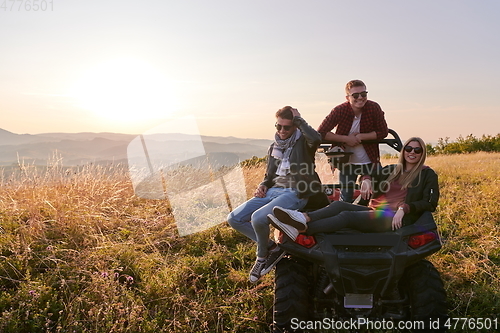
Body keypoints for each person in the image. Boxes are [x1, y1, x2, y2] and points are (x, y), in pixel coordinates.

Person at [267, 137, 439, 239]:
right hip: (375, 210)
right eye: (409, 148)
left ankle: (302, 229)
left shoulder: (426, 174)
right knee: (338, 205)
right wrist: (366, 180)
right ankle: (302, 218)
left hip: (393, 217)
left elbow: (430, 203)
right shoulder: (393, 169)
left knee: (346, 216)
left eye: (417, 150)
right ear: (404, 150)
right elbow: (371, 173)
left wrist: (404, 208)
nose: (412, 152)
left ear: (422, 153)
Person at [227, 106, 322, 283]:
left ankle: (261, 257)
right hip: (272, 191)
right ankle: (273, 248)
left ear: (294, 127)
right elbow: (269, 175)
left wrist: (299, 119)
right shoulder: (274, 146)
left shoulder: (304, 143)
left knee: (258, 218)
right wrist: (263, 185)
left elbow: (316, 138)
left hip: (295, 191)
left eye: (287, 127)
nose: (282, 130)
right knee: (234, 218)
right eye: (278, 126)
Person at [317, 79, 388, 203]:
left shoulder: (374, 108)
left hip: (370, 160)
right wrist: (346, 139)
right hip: (346, 163)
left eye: (363, 94)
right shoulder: (339, 111)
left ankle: (367, 216)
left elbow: (383, 132)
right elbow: (321, 133)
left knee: (379, 192)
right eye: (355, 95)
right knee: (346, 196)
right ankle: (345, 216)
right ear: (347, 97)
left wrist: (361, 137)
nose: (360, 98)